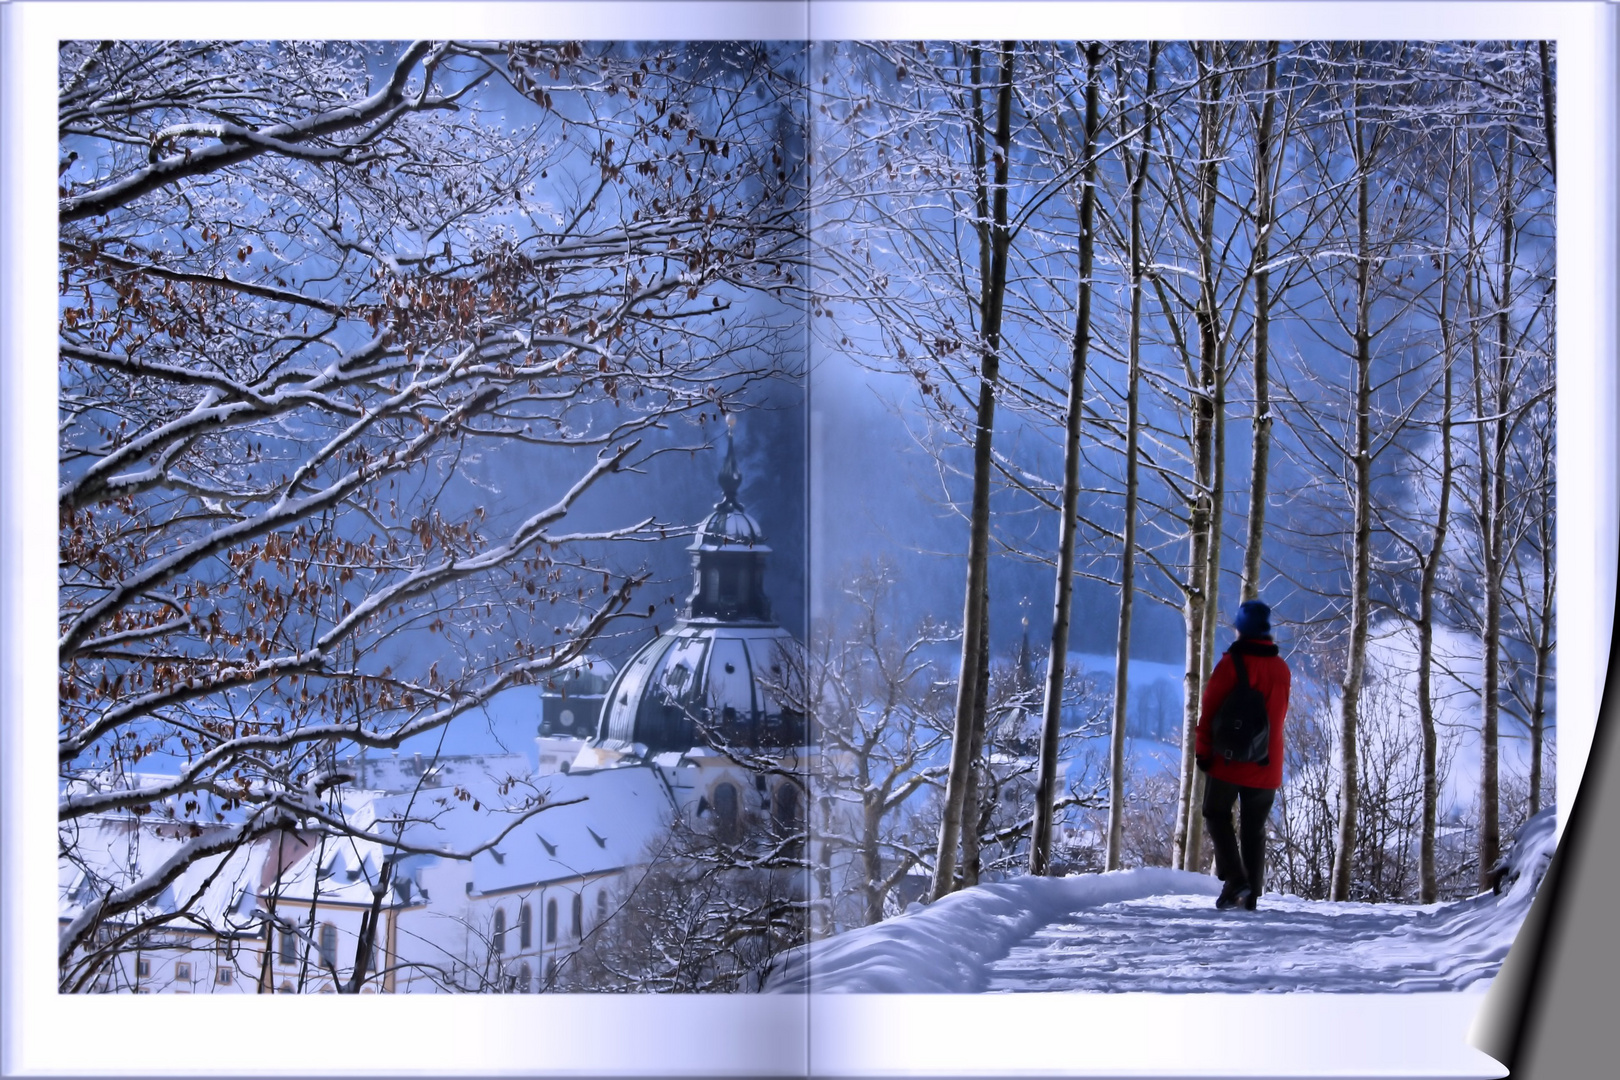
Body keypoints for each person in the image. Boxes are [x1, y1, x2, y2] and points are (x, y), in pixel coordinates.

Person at [1195, 599, 1290, 911]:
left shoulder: (1230, 665)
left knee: (1215, 812)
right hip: (1267, 763)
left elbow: (1209, 713)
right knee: (1254, 828)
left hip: (1229, 760)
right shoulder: (1281, 668)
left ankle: (1236, 880)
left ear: (1240, 629)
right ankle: (1251, 897)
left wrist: (1203, 752)